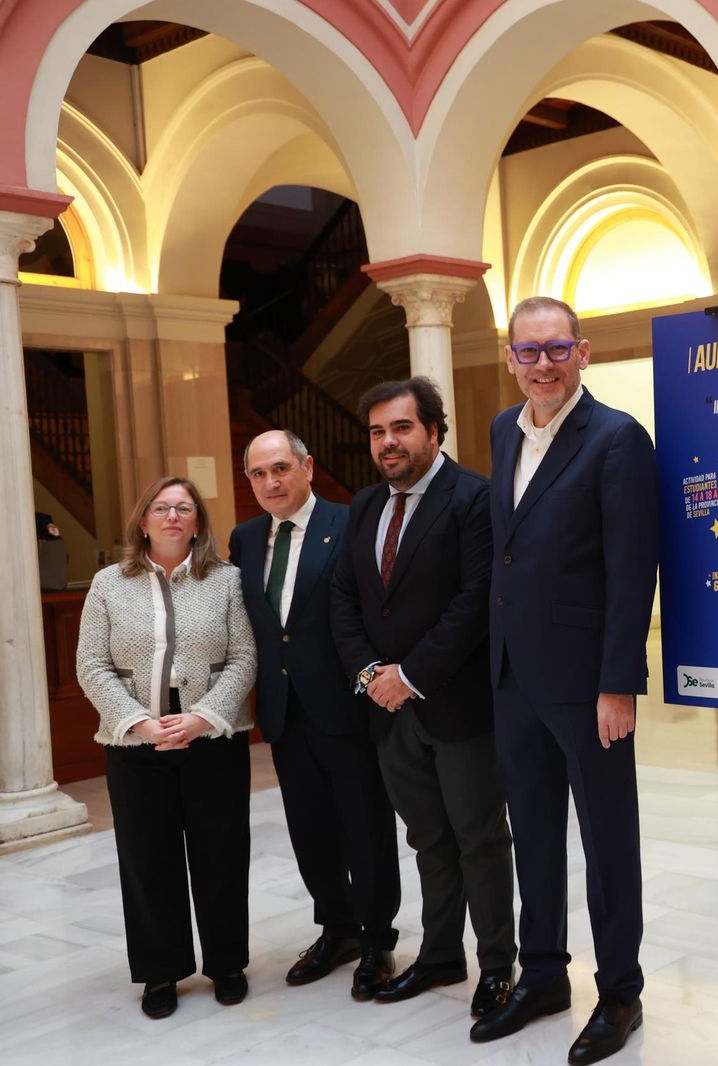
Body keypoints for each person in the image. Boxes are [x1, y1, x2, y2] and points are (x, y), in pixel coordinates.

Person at [470, 296, 657, 1066]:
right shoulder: (500, 432)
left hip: (587, 685)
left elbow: (630, 566)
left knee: (607, 841)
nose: (542, 365)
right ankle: (543, 973)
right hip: (514, 676)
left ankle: (620, 992)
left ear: (583, 353)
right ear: (509, 358)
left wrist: (619, 683)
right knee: (535, 835)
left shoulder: (616, 439)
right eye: (528, 352)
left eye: (557, 350)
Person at [328, 377, 518, 1025]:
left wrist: (409, 674)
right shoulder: (363, 507)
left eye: (402, 428)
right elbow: (346, 600)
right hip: (388, 713)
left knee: (479, 840)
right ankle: (440, 955)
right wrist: (369, 671)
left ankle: (497, 967)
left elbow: (476, 602)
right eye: (378, 431)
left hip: (457, 707)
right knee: (428, 839)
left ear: (434, 432)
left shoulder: (473, 499)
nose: (388, 442)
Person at [75, 476, 257, 1019]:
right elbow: (91, 663)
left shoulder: (226, 580)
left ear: (198, 522)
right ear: (143, 520)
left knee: (221, 853)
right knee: (147, 857)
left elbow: (246, 657)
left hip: (212, 737)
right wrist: (138, 723)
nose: (173, 516)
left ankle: (226, 964)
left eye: (184, 508)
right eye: (162, 508)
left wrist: (203, 717)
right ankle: (161, 969)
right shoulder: (109, 583)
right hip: (136, 743)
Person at [229, 429, 401, 998]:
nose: (271, 482)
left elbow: (371, 612)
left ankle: (377, 940)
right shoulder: (246, 539)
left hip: (345, 706)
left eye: (281, 468)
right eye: (259, 474)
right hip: (283, 713)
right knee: (310, 831)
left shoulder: (350, 522)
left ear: (307, 466)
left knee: (365, 830)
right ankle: (337, 928)